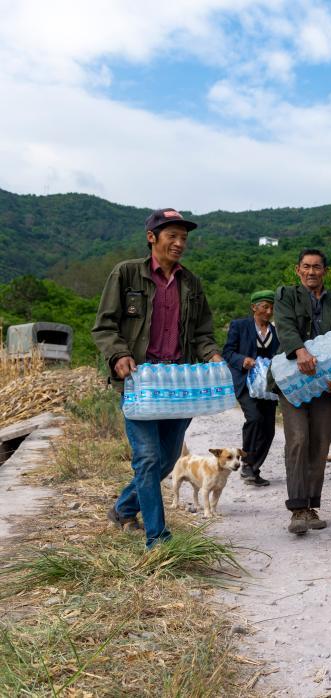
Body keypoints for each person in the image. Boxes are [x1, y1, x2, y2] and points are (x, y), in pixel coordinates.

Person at [92, 208, 222, 549]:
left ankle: (123, 508)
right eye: (172, 237)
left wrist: (212, 354)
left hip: (179, 386)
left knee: (166, 460)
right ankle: (157, 539)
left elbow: (202, 333)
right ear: (152, 237)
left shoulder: (191, 283)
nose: (179, 244)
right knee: (148, 458)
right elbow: (104, 326)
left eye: (184, 238)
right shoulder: (126, 274)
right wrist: (119, 353)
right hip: (141, 384)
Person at [272, 249, 331, 535]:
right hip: (294, 380)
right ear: (298, 270)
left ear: (325, 271)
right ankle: (297, 509)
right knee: (298, 439)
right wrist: (300, 350)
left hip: (327, 385)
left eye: (317, 267)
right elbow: (285, 326)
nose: (311, 272)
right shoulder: (286, 295)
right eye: (306, 267)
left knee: (319, 444)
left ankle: (311, 505)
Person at [223, 290, 280, 486]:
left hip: (267, 386)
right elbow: (228, 352)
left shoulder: (275, 331)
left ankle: (253, 469)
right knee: (254, 418)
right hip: (246, 382)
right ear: (254, 307)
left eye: (271, 307)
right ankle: (246, 463)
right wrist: (242, 360)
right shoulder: (240, 326)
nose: (269, 311)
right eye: (265, 306)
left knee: (269, 429)